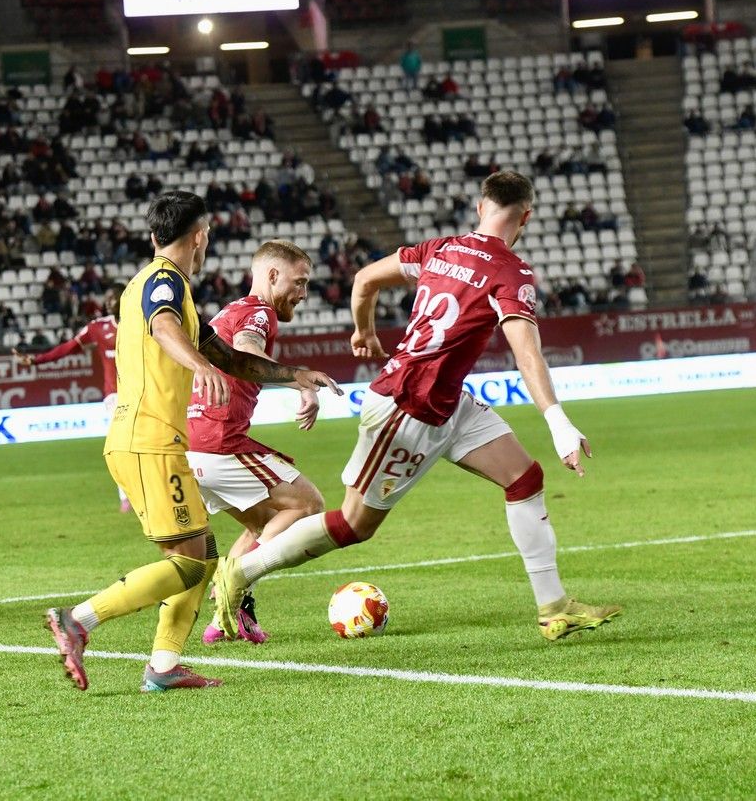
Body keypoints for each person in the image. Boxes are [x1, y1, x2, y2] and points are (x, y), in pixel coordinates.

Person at [212, 172, 622, 643]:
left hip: (449, 404)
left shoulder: (439, 249)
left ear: (479, 206)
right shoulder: (512, 273)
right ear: (525, 216)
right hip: (406, 408)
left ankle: (554, 608)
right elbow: (526, 352)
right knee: (352, 524)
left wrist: (364, 331)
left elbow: (365, 279)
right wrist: (557, 420)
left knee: (524, 477)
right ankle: (241, 573)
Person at [44, 191, 341, 693]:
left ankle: (163, 667)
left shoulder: (169, 287)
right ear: (199, 236)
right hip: (148, 440)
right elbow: (164, 329)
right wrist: (200, 366)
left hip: (159, 442)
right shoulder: (162, 282)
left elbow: (229, 356)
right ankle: (78, 620)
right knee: (187, 562)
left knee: (201, 553)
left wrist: (294, 374)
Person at [188, 240, 326, 645]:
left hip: (195, 444)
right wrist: (299, 379)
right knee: (308, 504)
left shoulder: (230, 310)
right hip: (220, 441)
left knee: (264, 523)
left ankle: (225, 621)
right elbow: (247, 348)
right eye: (298, 282)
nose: (303, 293)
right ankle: (233, 583)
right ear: (271, 276)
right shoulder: (259, 312)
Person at [14, 282, 129, 512]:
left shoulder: (140, 325)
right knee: (120, 446)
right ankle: (125, 496)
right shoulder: (97, 327)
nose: (108, 301)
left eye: (113, 297)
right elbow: (68, 347)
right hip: (115, 397)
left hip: (142, 392)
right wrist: (36, 360)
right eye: (106, 297)